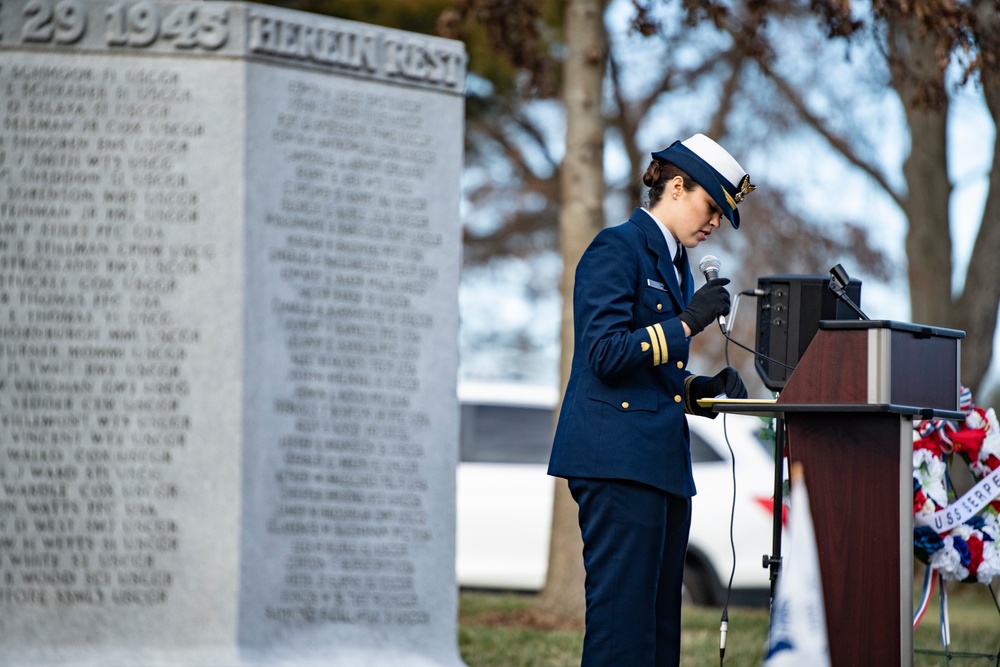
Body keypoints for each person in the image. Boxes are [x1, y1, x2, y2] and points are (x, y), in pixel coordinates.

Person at [547, 134, 754, 667]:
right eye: (711, 207)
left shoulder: (675, 262)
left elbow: (651, 375)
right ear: (678, 186)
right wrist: (688, 321)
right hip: (615, 462)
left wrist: (700, 390)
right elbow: (605, 354)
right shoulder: (617, 246)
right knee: (623, 633)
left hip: (658, 464)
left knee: (659, 637)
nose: (713, 224)